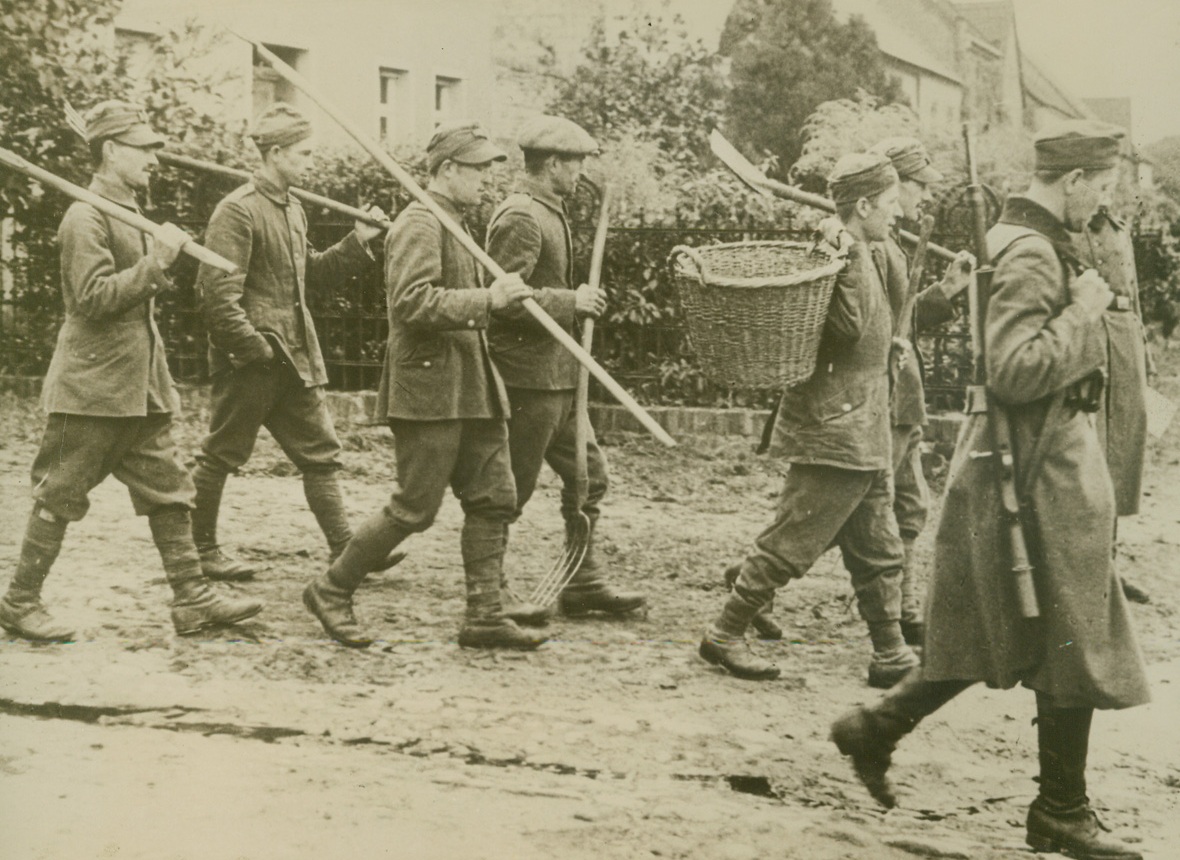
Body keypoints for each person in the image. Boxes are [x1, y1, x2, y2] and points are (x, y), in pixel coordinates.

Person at [831, 120, 1149, 860]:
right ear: (1073, 180)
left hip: (1031, 462)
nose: (1100, 204)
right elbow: (1014, 370)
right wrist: (1083, 313)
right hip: (1038, 469)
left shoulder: (1015, 236)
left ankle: (876, 729)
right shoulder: (1035, 253)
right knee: (1070, 634)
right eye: (1099, 187)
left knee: (1009, 629)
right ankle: (1061, 813)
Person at [0, 100, 262, 641]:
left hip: (139, 384)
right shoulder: (85, 215)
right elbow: (93, 300)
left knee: (168, 488)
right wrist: (158, 262)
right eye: (143, 149)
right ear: (111, 150)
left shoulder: (133, 212)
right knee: (60, 494)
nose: (154, 159)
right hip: (91, 388)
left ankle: (192, 598)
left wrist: (155, 255)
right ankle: (20, 602)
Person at [302, 121, 546, 651]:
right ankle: (332, 589)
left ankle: (484, 615)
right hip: (430, 385)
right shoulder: (419, 222)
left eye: (490, 168)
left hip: (471, 384)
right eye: (478, 169)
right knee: (415, 507)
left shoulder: (454, 220)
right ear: (447, 170)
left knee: (494, 496)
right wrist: (490, 301)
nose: (488, 179)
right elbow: (412, 303)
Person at [700, 152, 920, 688]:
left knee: (879, 545)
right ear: (863, 205)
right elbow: (844, 331)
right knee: (792, 541)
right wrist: (842, 257)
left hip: (863, 422)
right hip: (833, 424)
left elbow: (883, 317)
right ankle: (724, 634)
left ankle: (890, 654)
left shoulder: (867, 247)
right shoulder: (836, 253)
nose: (899, 213)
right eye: (890, 204)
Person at [192, 103, 388, 581]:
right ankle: (201, 551)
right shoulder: (236, 212)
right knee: (222, 453)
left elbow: (311, 277)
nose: (310, 162)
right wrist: (254, 349)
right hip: (254, 361)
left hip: (295, 361)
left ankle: (345, 551)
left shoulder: (293, 209)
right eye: (303, 153)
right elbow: (215, 295)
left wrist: (358, 240)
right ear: (275, 153)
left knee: (320, 453)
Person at [485, 114, 645, 621]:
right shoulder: (521, 217)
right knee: (513, 487)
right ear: (551, 163)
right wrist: (570, 301)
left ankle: (584, 581)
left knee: (589, 477)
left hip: (561, 376)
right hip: (529, 378)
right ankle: (491, 593)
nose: (580, 173)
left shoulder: (551, 209)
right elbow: (505, 300)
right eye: (574, 163)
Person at [866, 137, 974, 645]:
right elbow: (874, 329)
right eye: (917, 187)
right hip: (878, 400)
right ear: (893, 184)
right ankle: (753, 580)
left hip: (904, 400)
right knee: (851, 509)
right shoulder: (871, 246)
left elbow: (902, 323)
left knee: (910, 506)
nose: (923, 198)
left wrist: (946, 290)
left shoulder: (895, 241)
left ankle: (907, 610)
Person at [1079, 201, 1153, 604]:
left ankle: (1110, 562)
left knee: (1124, 447)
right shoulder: (1075, 227)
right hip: (1095, 332)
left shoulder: (1116, 223)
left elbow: (1134, 291)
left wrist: (1145, 349)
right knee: (1097, 448)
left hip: (1124, 334)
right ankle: (1093, 566)